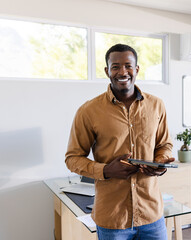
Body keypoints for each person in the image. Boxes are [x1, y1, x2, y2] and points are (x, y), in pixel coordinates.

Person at [65, 43, 174, 240]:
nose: (122, 71)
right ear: (107, 71)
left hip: (152, 214)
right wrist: (105, 170)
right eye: (115, 66)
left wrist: (160, 163)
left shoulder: (157, 105)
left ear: (137, 69)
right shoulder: (88, 111)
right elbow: (72, 158)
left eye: (128, 65)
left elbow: (164, 145)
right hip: (112, 219)